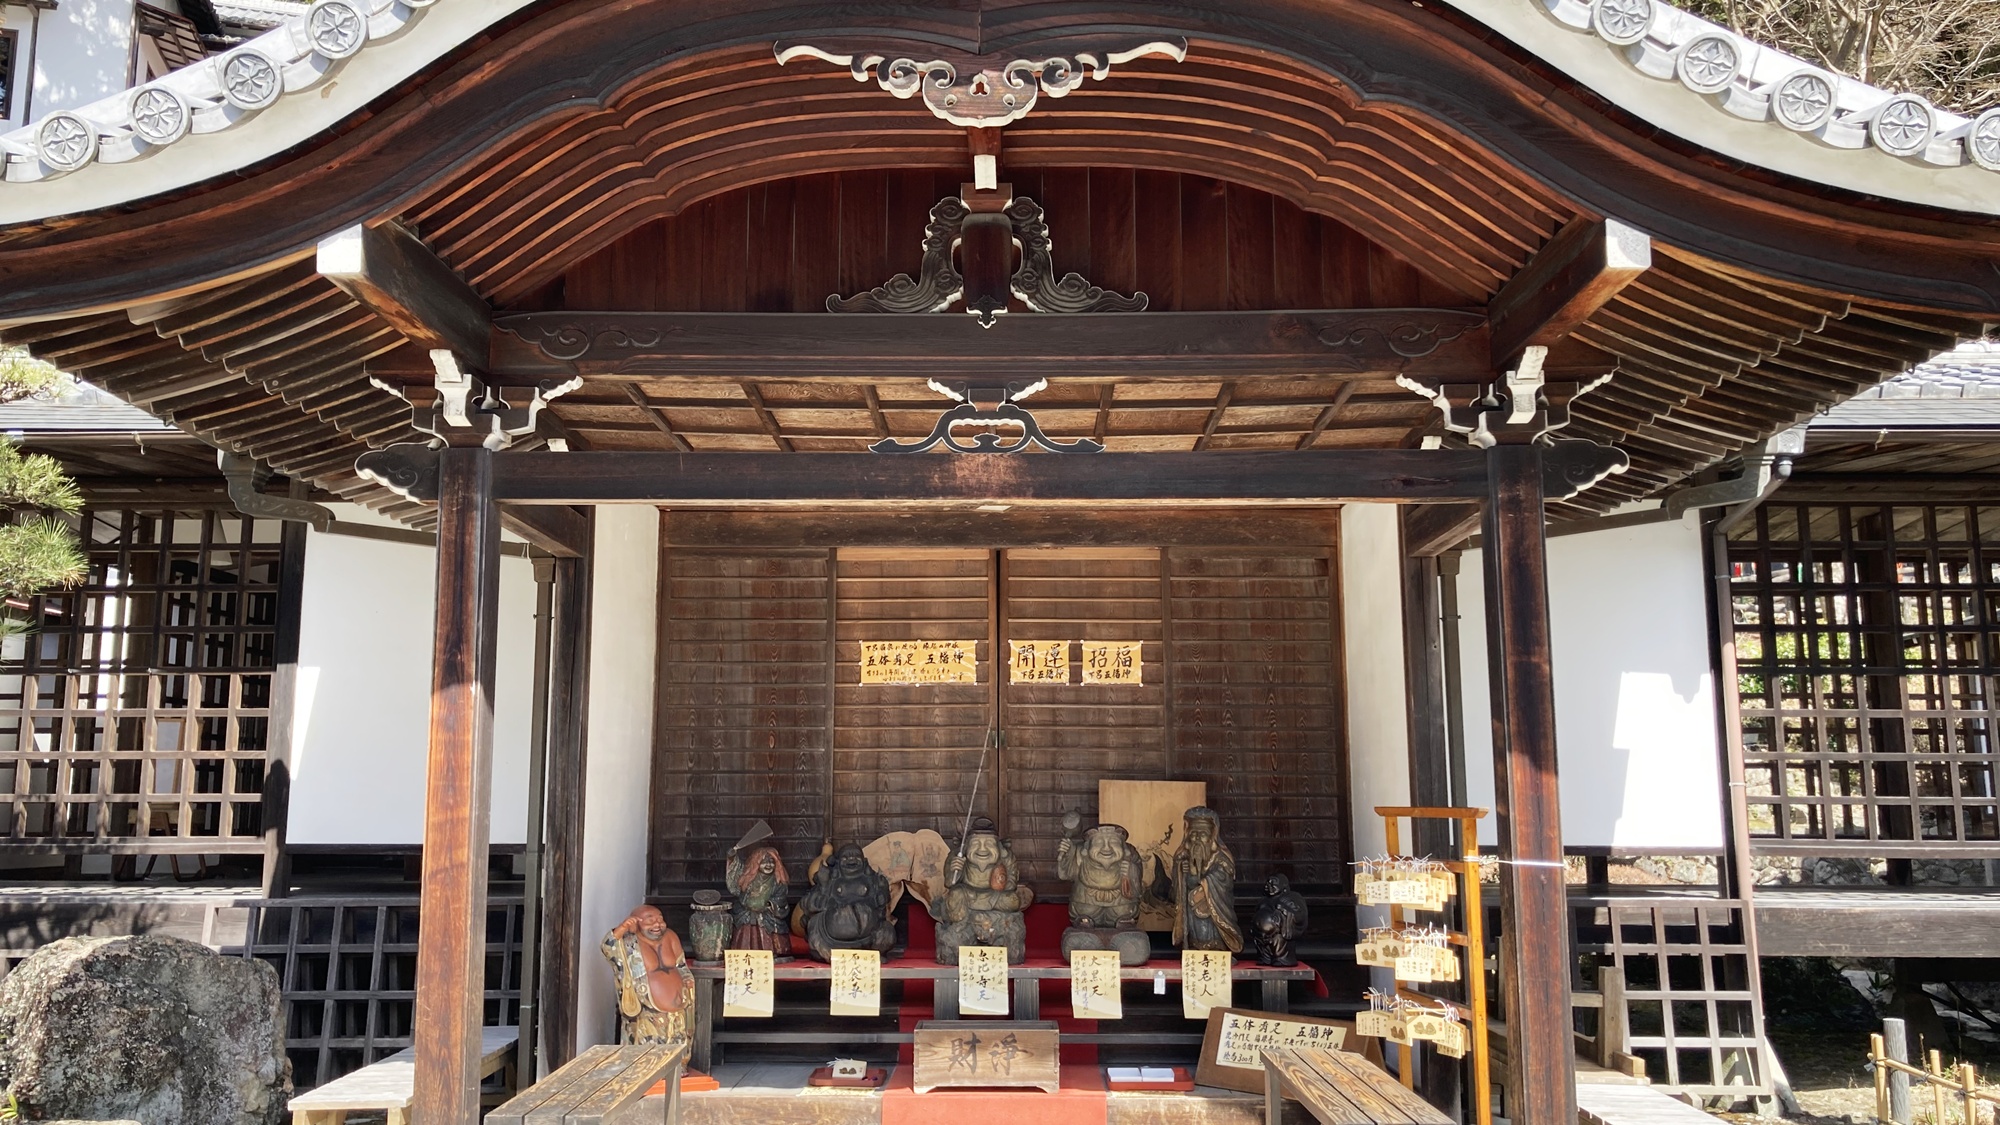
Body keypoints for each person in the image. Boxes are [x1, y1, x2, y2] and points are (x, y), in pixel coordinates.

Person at [1150, 806, 1244, 953]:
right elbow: (1177, 889)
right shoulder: (1182, 856)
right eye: (1194, 833)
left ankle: (1217, 948)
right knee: (1195, 933)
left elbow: (1223, 882)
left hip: (1214, 910)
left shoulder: (1221, 858)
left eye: (1203, 833)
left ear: (1212, 836)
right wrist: (1182, 873)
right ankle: (1194, 948)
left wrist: (1202, 881)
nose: (1198, 838)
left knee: (1212, 933)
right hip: (1191, 912)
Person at [601, 904, 695, 1045]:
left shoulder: (670, 936)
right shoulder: (628, 942)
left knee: (678, 1052)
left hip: (678, 1013)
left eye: (660, 919)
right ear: (635, 923)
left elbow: (681, 965)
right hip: (646, 1012)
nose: (657, 924)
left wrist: (687, 978)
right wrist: (622, 928)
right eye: (650, 921)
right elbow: (608, 947)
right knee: (647, 1053)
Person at [726, 843, 793, 956]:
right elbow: (736, 887)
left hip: (768, 914)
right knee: (744, 931)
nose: (768, 864)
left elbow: (780, 899)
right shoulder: (748, 879)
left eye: (772, 861)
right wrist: (732, 858)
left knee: (771, 933)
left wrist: (769, 904)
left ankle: (773, 952)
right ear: (756, 863)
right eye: (764, 861)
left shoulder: (778, 882)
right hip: (747, 914)